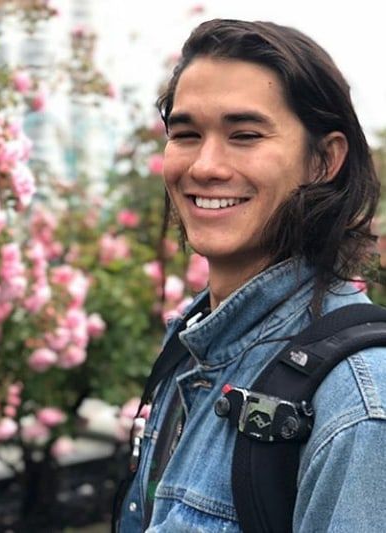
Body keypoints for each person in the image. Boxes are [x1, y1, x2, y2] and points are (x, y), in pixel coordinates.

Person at [116, 18, 386, 532]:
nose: (206, 165)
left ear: (323, 160)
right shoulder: (192, 345)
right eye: (186, 133)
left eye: (245, 135)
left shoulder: (358, 404)